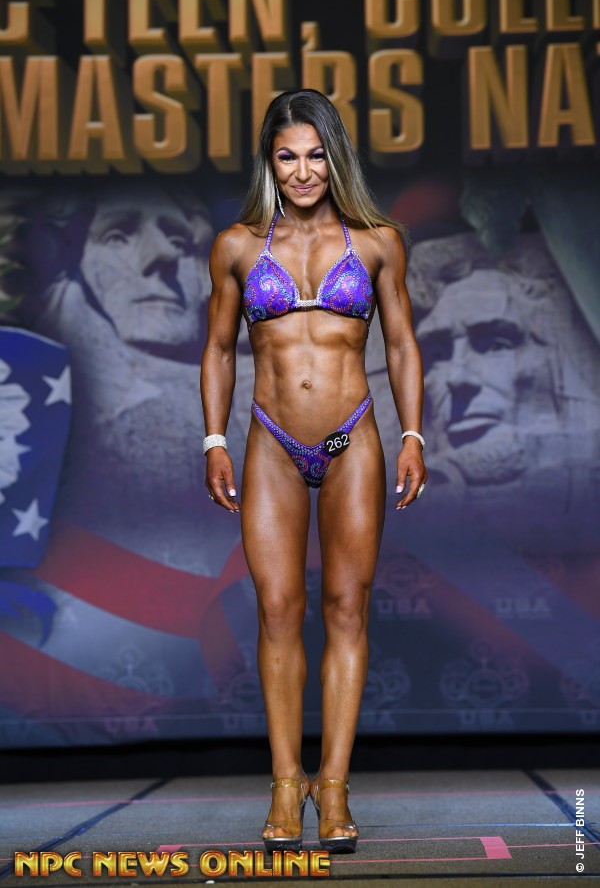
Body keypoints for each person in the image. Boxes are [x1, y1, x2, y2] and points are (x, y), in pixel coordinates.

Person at [200, 89, 427, 854]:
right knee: (275, 609)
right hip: (270, 442)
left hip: (351, 438)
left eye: (316, 155)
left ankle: (333, 789)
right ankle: (284, 784)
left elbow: (401, 343)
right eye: (287, 157)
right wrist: (213, 440)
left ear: (337, 159)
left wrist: (414, 434)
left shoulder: (377, 242)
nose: (302, 171)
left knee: (346, 609)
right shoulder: (236, 246)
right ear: (269, 163)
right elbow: (217, 347)